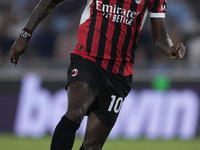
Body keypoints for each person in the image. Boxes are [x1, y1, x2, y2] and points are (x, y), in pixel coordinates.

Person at [9, 0, 186, 150]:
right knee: (76, 111)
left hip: (119, 73)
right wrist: (25, 34)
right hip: (87, 59)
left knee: (93, 144)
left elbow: (160, 38)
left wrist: (170, 49)